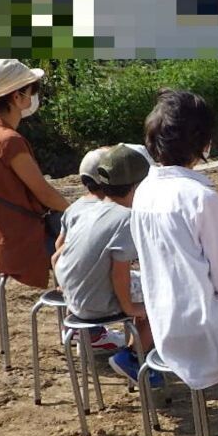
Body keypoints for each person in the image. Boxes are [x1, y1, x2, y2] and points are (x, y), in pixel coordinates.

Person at [130, 89, 218, 391]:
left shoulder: (143, 192)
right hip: (208, 332)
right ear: (204, 142)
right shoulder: (201, 198)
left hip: (164, 327)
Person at [53, 145, 153, 381]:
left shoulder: (88, 209)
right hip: (96, 303)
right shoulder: (126, 218)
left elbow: (57, 256)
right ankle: (132, 356)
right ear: (138, 187)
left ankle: (135, 348)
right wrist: (130, 308)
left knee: (149, 286)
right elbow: (120, 273)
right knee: (168, 295)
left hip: (73, 301)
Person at [0, 59, 69, 289]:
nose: (34, 97)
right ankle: (87, 322)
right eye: (32, 90)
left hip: (0, 241)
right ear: (17, 97)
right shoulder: (8, 141)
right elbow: (45, 194)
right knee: (91, 248)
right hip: (25, 241)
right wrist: (78, 212)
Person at [51, 146, 127, 353]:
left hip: (71, 287)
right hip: (97, 292)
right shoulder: (111, 210)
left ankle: (80, 330)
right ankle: (107, 340)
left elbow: (60, 246)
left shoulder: (74, 207)